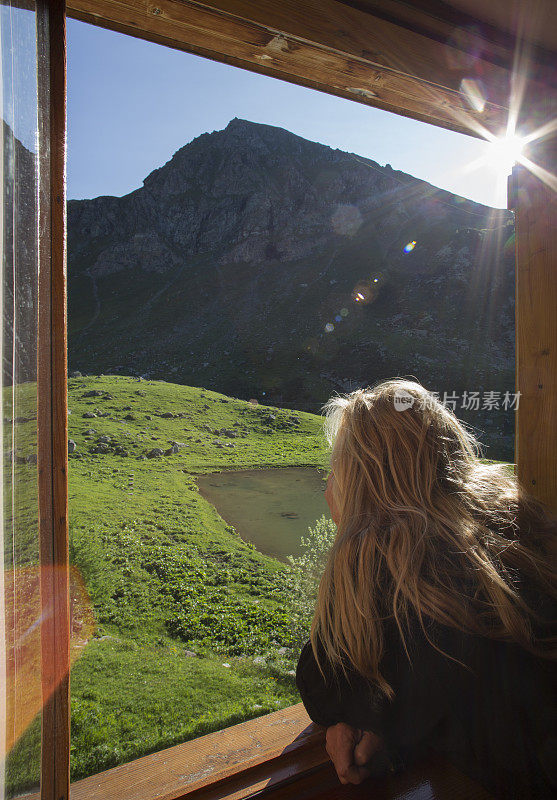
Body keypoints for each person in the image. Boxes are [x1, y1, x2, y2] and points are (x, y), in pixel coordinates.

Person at [295, 379, 557, 799]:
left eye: (336, 470)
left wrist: (348, 529)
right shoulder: (514, 529)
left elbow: (321, 684)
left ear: (362, 485)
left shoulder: (405, 581)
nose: (329, 483)